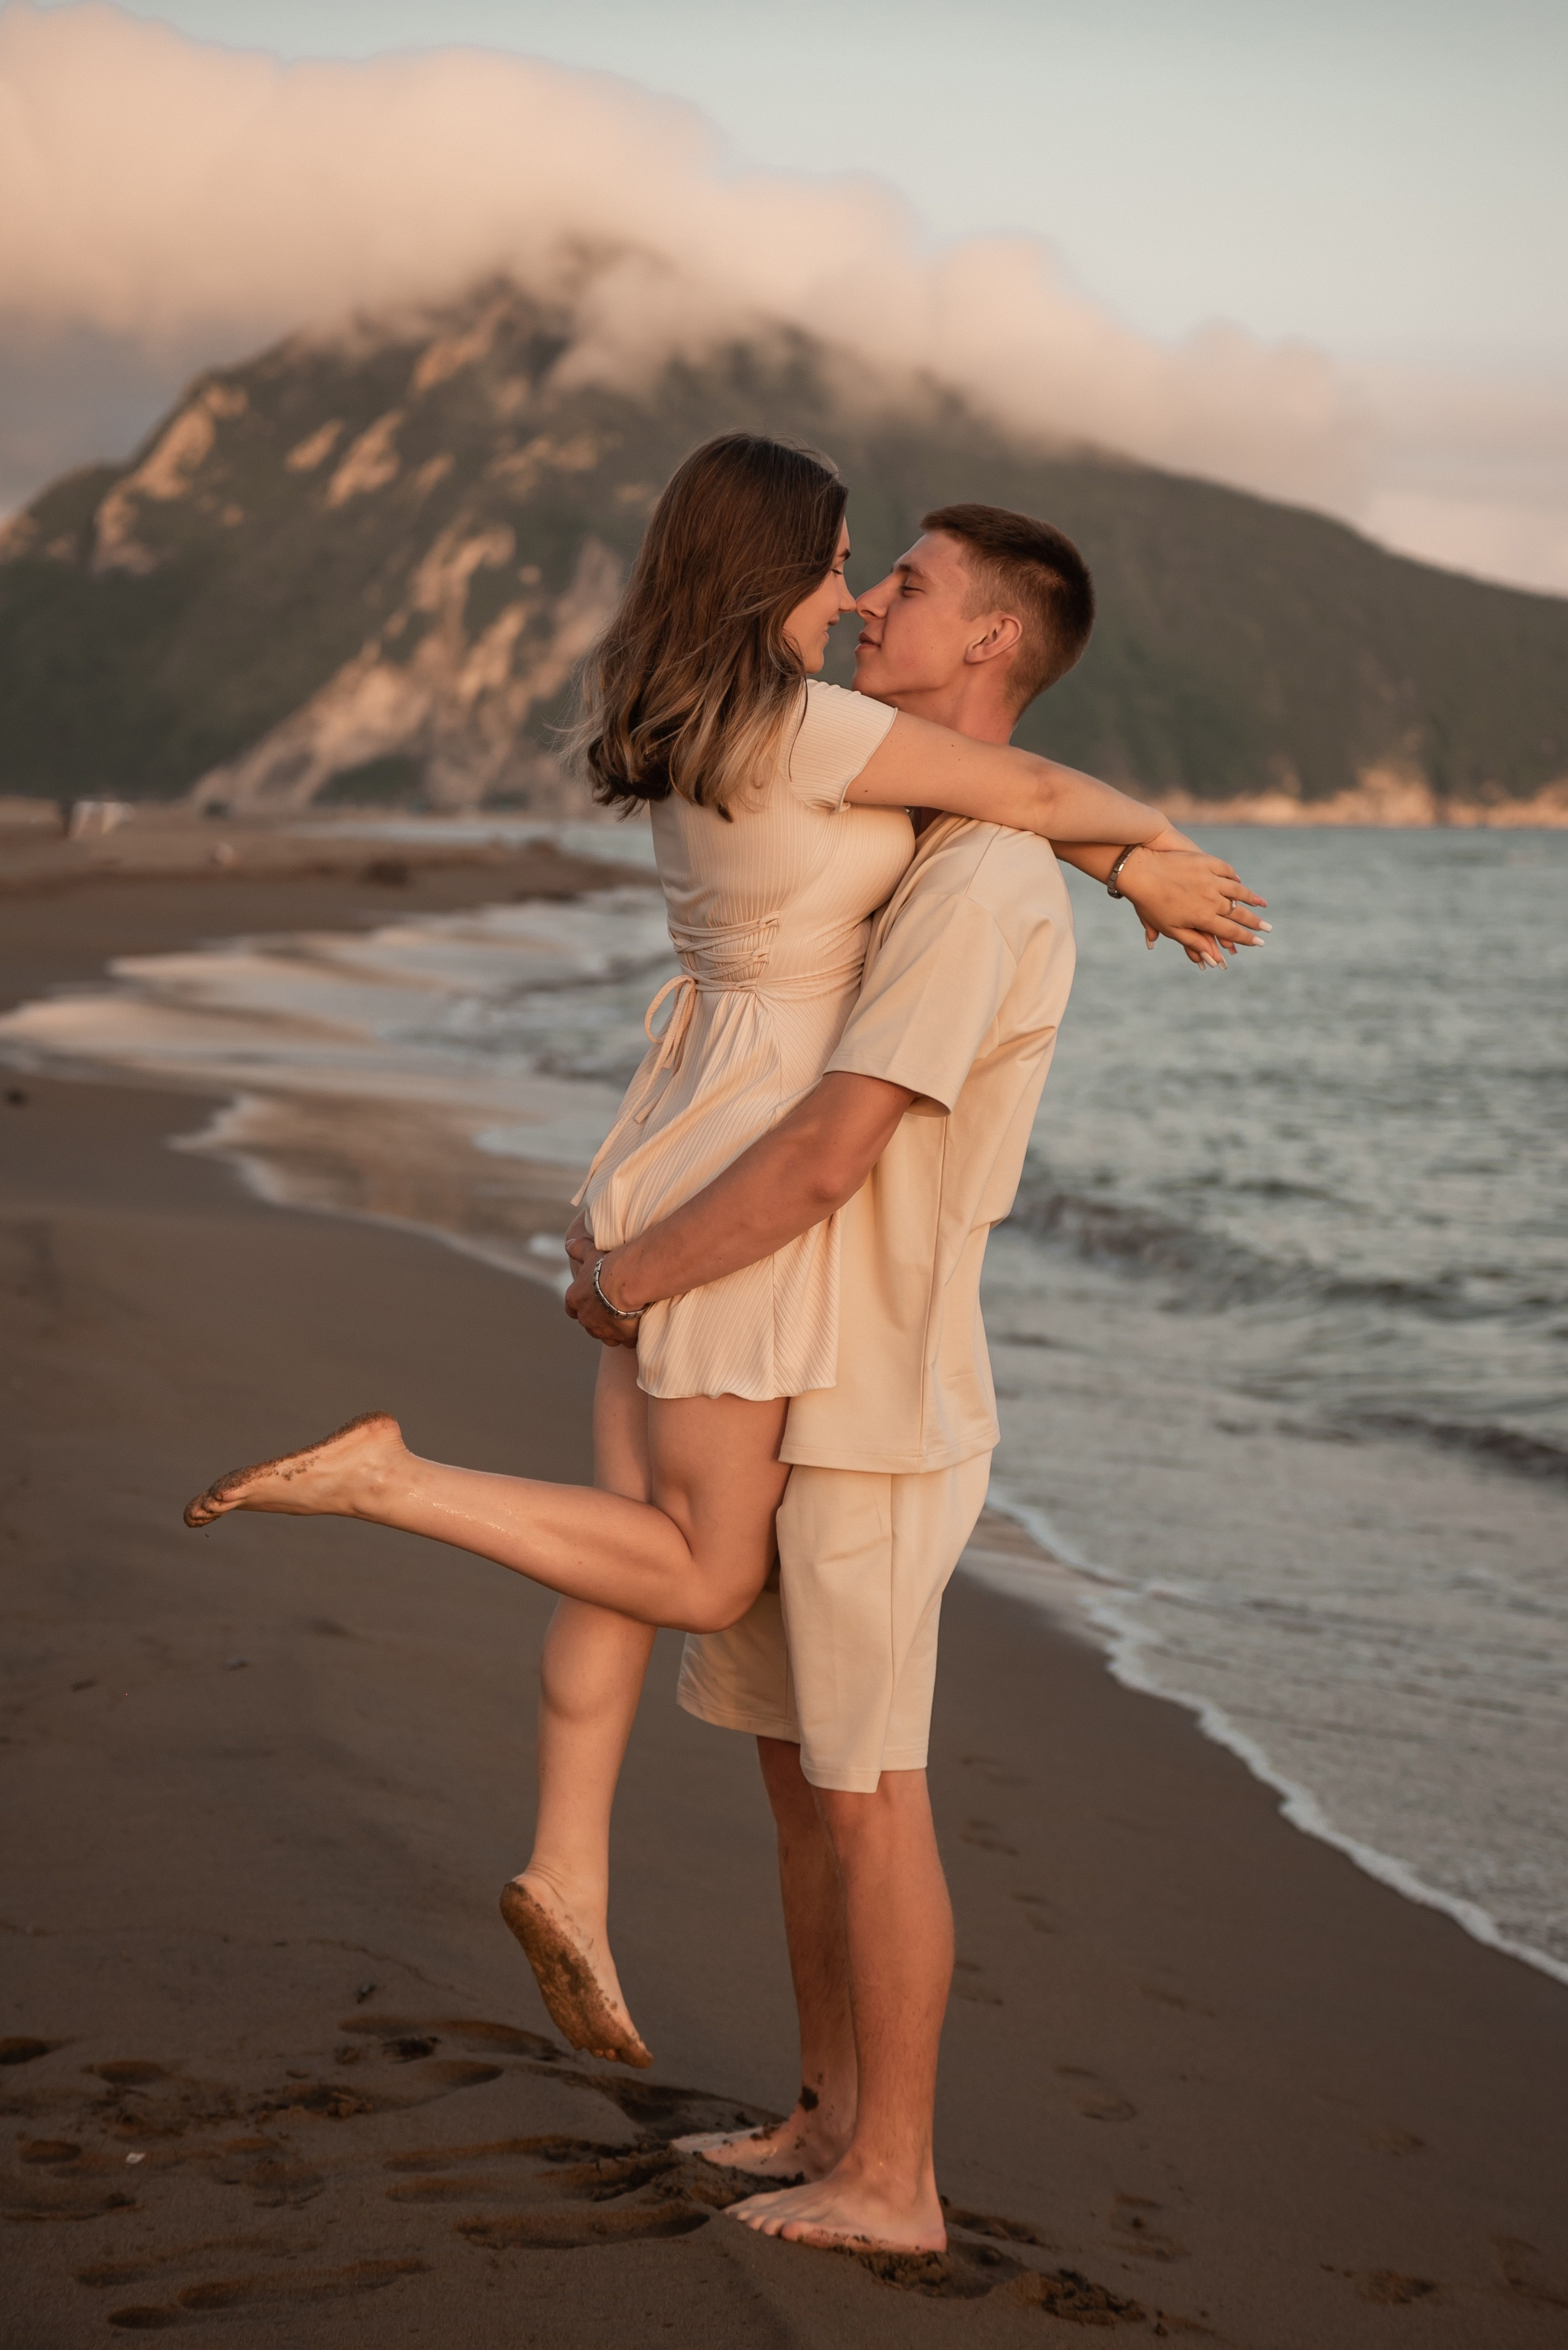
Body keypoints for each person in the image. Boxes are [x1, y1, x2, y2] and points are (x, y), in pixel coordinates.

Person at [182, 439, 1263, 2070]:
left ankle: (572, 1868)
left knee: (624, 1543)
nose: (853, 594)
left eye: (880, 574)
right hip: (738, 1174)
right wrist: (1148, 854)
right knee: (703, 1570)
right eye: (842, 565)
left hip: (655, 1139)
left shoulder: (704, 716)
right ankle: (393, 1479)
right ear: (770, 570)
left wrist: (1098, 859)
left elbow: (984, 803)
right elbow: (1023, 794)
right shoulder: (806, 727)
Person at [552, 503, 1268, 2254]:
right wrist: (1140, 851)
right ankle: (825, 2114)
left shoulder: (979, 883)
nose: (878, 601)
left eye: (917, 588)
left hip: (875, 1395)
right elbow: (961, 811)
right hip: (802, 1361)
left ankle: (901, 2180)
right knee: (804, 1784)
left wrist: (639, 1277)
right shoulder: (929, 822)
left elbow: (829, 1147)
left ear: (992, 645)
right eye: (876, 576)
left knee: (871, 1800)